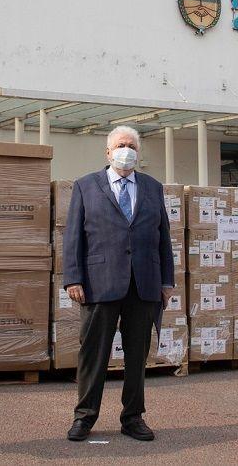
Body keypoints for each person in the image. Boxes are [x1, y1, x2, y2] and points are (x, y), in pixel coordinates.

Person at [62, 126, 174, 442]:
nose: (126, 151)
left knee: (137, 356)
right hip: (99, 283)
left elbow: (163, 237)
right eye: (121, 145)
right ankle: (84, 417)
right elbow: (73, 235)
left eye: (132, 146)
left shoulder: (152, 187)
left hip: (143, 283)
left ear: (138, 152)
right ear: (108, 152)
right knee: (93, 354)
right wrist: (73, 277)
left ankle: (133, 417)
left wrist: (167, 280)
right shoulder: (86, 186)